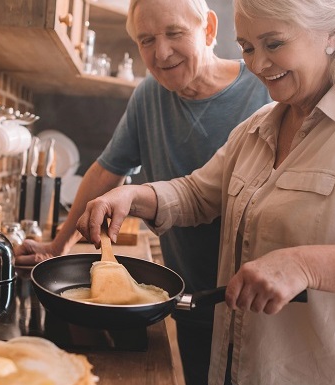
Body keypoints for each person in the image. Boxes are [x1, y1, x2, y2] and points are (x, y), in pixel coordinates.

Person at [76, 0, 335, 384]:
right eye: (247, 47)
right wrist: (132, 197)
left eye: (274, 43)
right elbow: (198, 193)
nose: (258, 64)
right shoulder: (258, 126)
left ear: (331, 34)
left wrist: (305, 265)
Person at [14, 0, 270, 384]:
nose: (161, 52)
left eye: (174, 33)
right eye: (147, 39)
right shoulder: (149, 95)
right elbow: (106, 171)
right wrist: (58, 245)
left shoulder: (265, 90)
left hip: (259, 305)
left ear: (209, 29)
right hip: (190, 297)